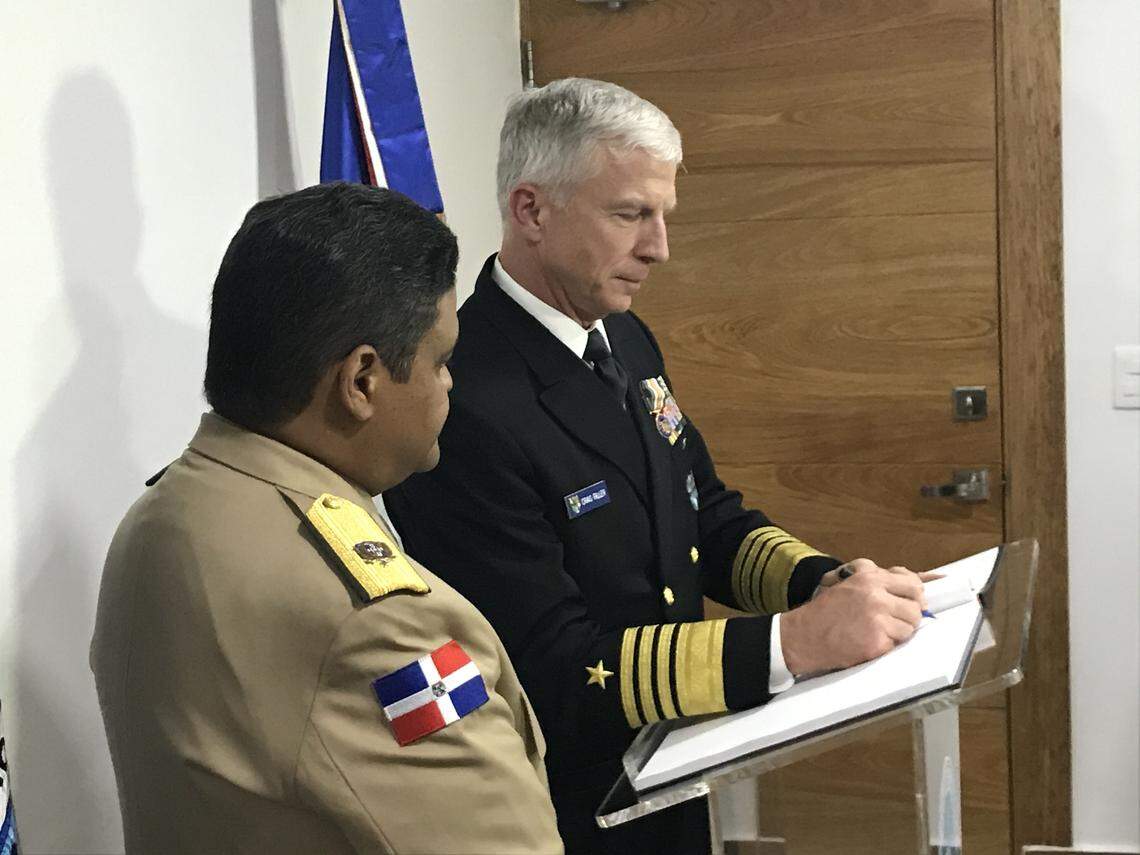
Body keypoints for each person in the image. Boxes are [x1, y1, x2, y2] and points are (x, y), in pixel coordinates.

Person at [383, 79, 930, 854]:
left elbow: (704, 511)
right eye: (630, 214)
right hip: (564, 809)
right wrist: (794, 643)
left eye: (662, 215)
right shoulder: (465, 395)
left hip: (672, 774)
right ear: (531, 210)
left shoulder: (624, 338)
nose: (659, 246)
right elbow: (554, 668)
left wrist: (827, 582)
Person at [90, 183, 563, 854]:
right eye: (441, 359)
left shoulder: (162, 515)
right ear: (362, 380)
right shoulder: (375, 621)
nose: (450, 384)